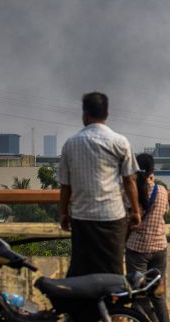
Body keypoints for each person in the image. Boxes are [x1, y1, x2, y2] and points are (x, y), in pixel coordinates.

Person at [59, 91, 140, 277]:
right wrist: (135, 211)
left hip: (82, 217)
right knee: (113, 271)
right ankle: (112, 305)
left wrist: (63, 213)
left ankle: (84, 306)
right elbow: (129, 181)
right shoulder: (120, 142)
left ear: (85, 115)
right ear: (107, 114)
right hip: (112, 217)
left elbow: (65, 186)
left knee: (82, 271)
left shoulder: (71, 144)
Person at [125, 153, 170, 322]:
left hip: (137, 247)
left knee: (137, 291)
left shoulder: (132, 191)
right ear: (152, 170)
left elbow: (127, 215)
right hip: (160, 246)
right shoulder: (162, 191)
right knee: (157, 290)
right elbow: (165, 211)